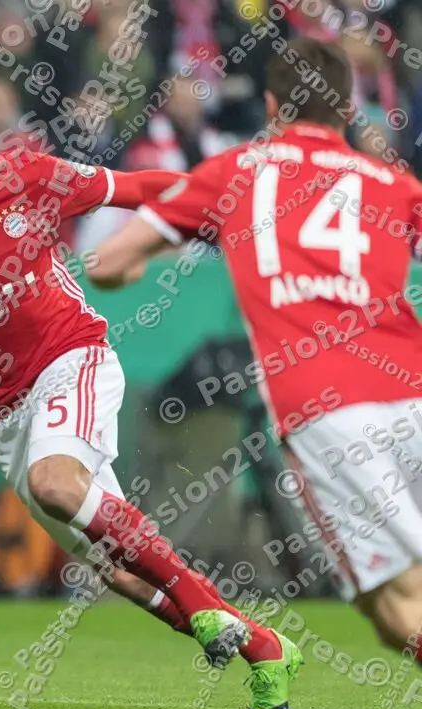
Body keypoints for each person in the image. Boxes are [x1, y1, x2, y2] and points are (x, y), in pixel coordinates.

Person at [0, 84, 301, 709]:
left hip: (71, 361)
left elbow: (132, 189)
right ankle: (265, 649)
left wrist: (225, 202)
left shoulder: (27, 175)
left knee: (57, 485)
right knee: (119, 571)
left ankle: (210, 611)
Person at [86, 37, 422, 673]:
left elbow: (108, 260)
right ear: (349, 111)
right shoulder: (395, 184)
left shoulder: (236, 171)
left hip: (327, 409)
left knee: (396, 605)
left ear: (270, 104)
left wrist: (124, 272)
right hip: (412, 388)